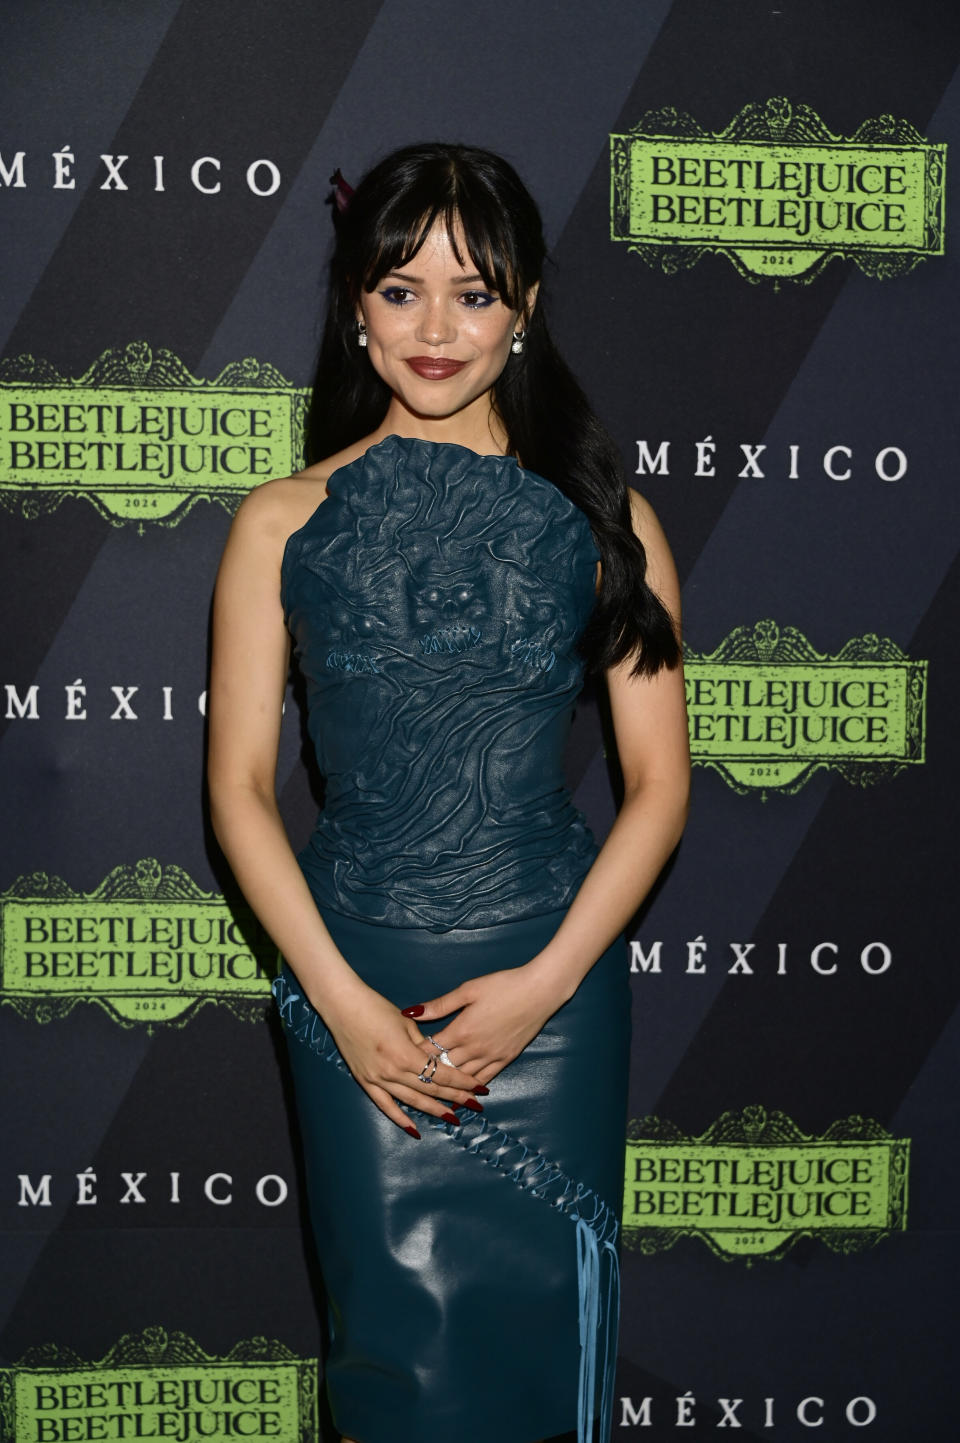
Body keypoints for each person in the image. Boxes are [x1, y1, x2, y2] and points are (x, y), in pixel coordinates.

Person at [207, 142, 690, 1443]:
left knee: (544, 1369)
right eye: (401, 288)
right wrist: (344, 1004)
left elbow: (658, 792)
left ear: (526, 308)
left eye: (474, 293)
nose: (436, 327)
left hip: (553, 991)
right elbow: (240, 796)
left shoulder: (606, 521)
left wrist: (545, 985)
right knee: (395, 1368)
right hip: (351, 986)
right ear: (355, 306)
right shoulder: (280, 522)